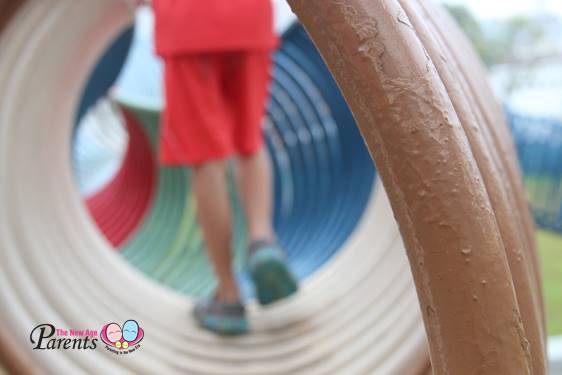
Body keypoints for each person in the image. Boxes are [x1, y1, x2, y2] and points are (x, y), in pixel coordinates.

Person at [151, 0, 298, 334]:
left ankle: (228, 295)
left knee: (206, 162)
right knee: (250, 141)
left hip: (187, 22)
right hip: (249, 18)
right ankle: (262, 240)